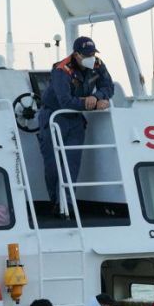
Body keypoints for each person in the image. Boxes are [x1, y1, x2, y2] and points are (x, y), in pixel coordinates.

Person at [37, 36, 114, 214]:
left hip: (76, 120)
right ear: (77, 55)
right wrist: (92, 103)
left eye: (93, 53)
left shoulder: (97, 65)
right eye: (87, 54)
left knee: (72, 163)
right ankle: (55, 202)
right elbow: (65, 100)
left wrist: (98, 97)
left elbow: (108, 87)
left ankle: (68, 207)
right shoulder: (61, 70)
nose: (91, 57)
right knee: (52, 165)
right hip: (54, 118)